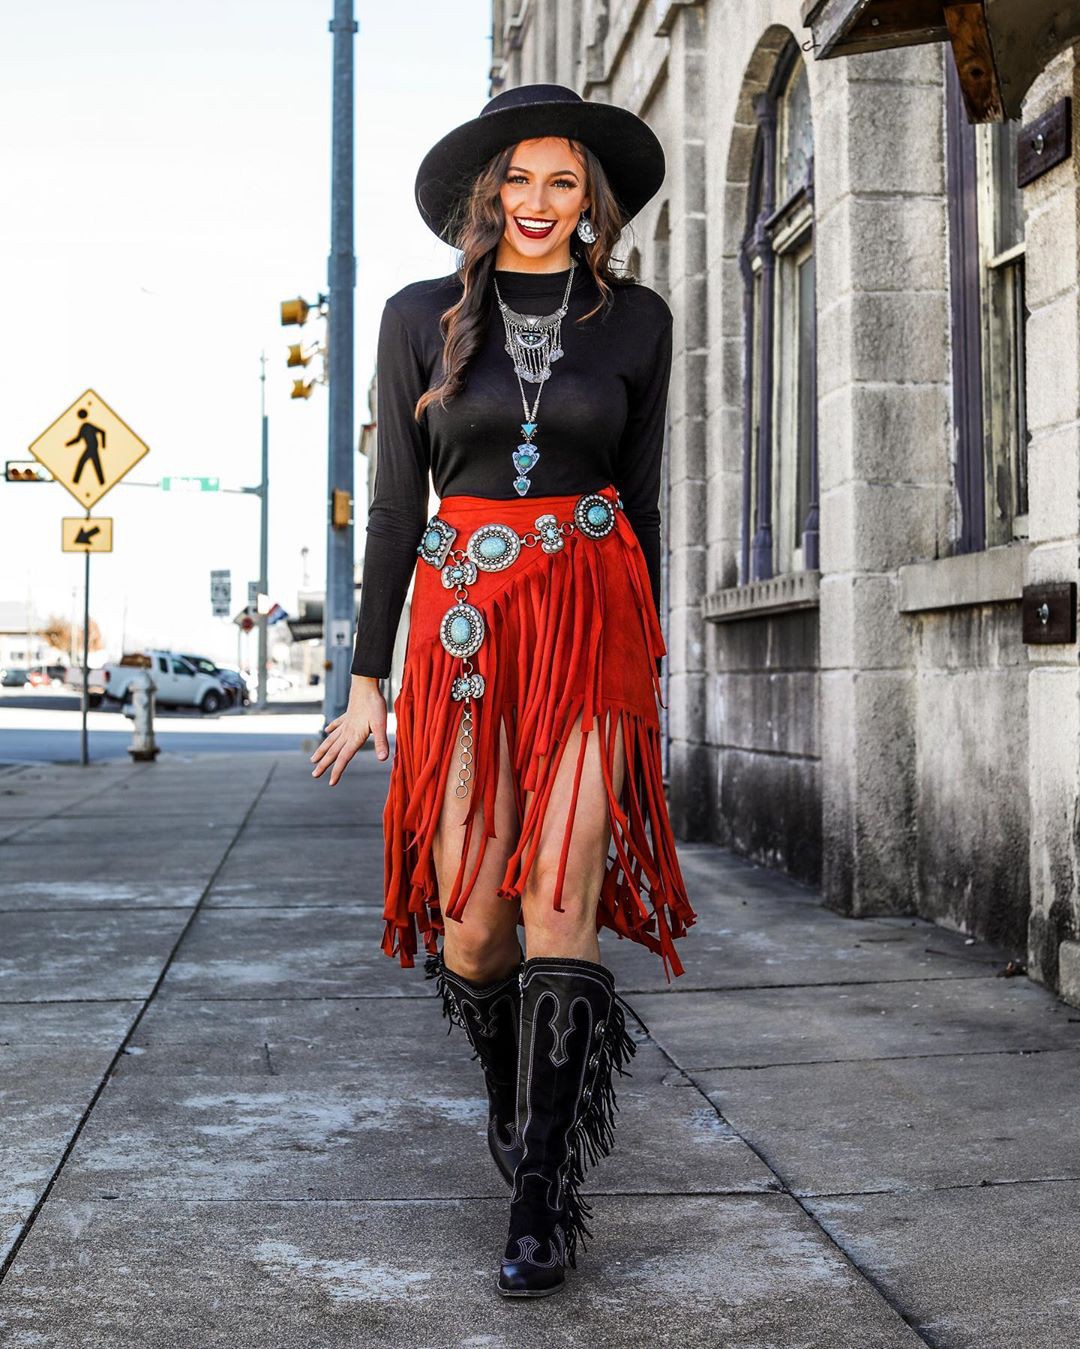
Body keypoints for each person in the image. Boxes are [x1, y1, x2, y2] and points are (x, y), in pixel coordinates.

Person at [310, 83, 697, 1298]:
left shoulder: (637, 320)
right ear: (487, 195)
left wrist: (645, 643)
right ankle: (508, 1089)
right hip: (467, 629)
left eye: (563, 181)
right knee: (473, 919)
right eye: (518, 180)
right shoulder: (416, 316)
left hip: (589, 620)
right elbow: (392, 508)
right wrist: (368, 675)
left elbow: (637, 498)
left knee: (560, 891)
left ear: (594, 201)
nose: (538, 203)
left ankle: (542, 1191)